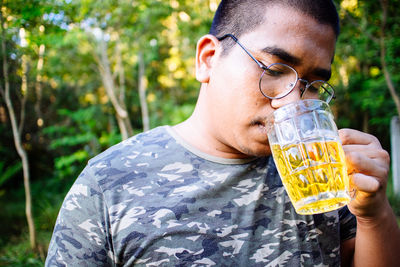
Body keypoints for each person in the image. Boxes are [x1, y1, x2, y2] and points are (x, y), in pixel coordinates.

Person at [45, 0, 400, 266]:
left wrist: (374, 215)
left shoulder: (323, 172)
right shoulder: (109, 182)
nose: (293, 103)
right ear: (208, 59)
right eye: (275, 69)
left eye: (313, 84)